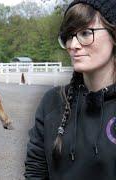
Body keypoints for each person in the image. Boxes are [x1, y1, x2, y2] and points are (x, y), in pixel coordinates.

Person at [25, 0, 116, 179]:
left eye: (85, 33)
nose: (73, 45)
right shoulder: (52, 102)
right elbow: (35, 172)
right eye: (68, 36)